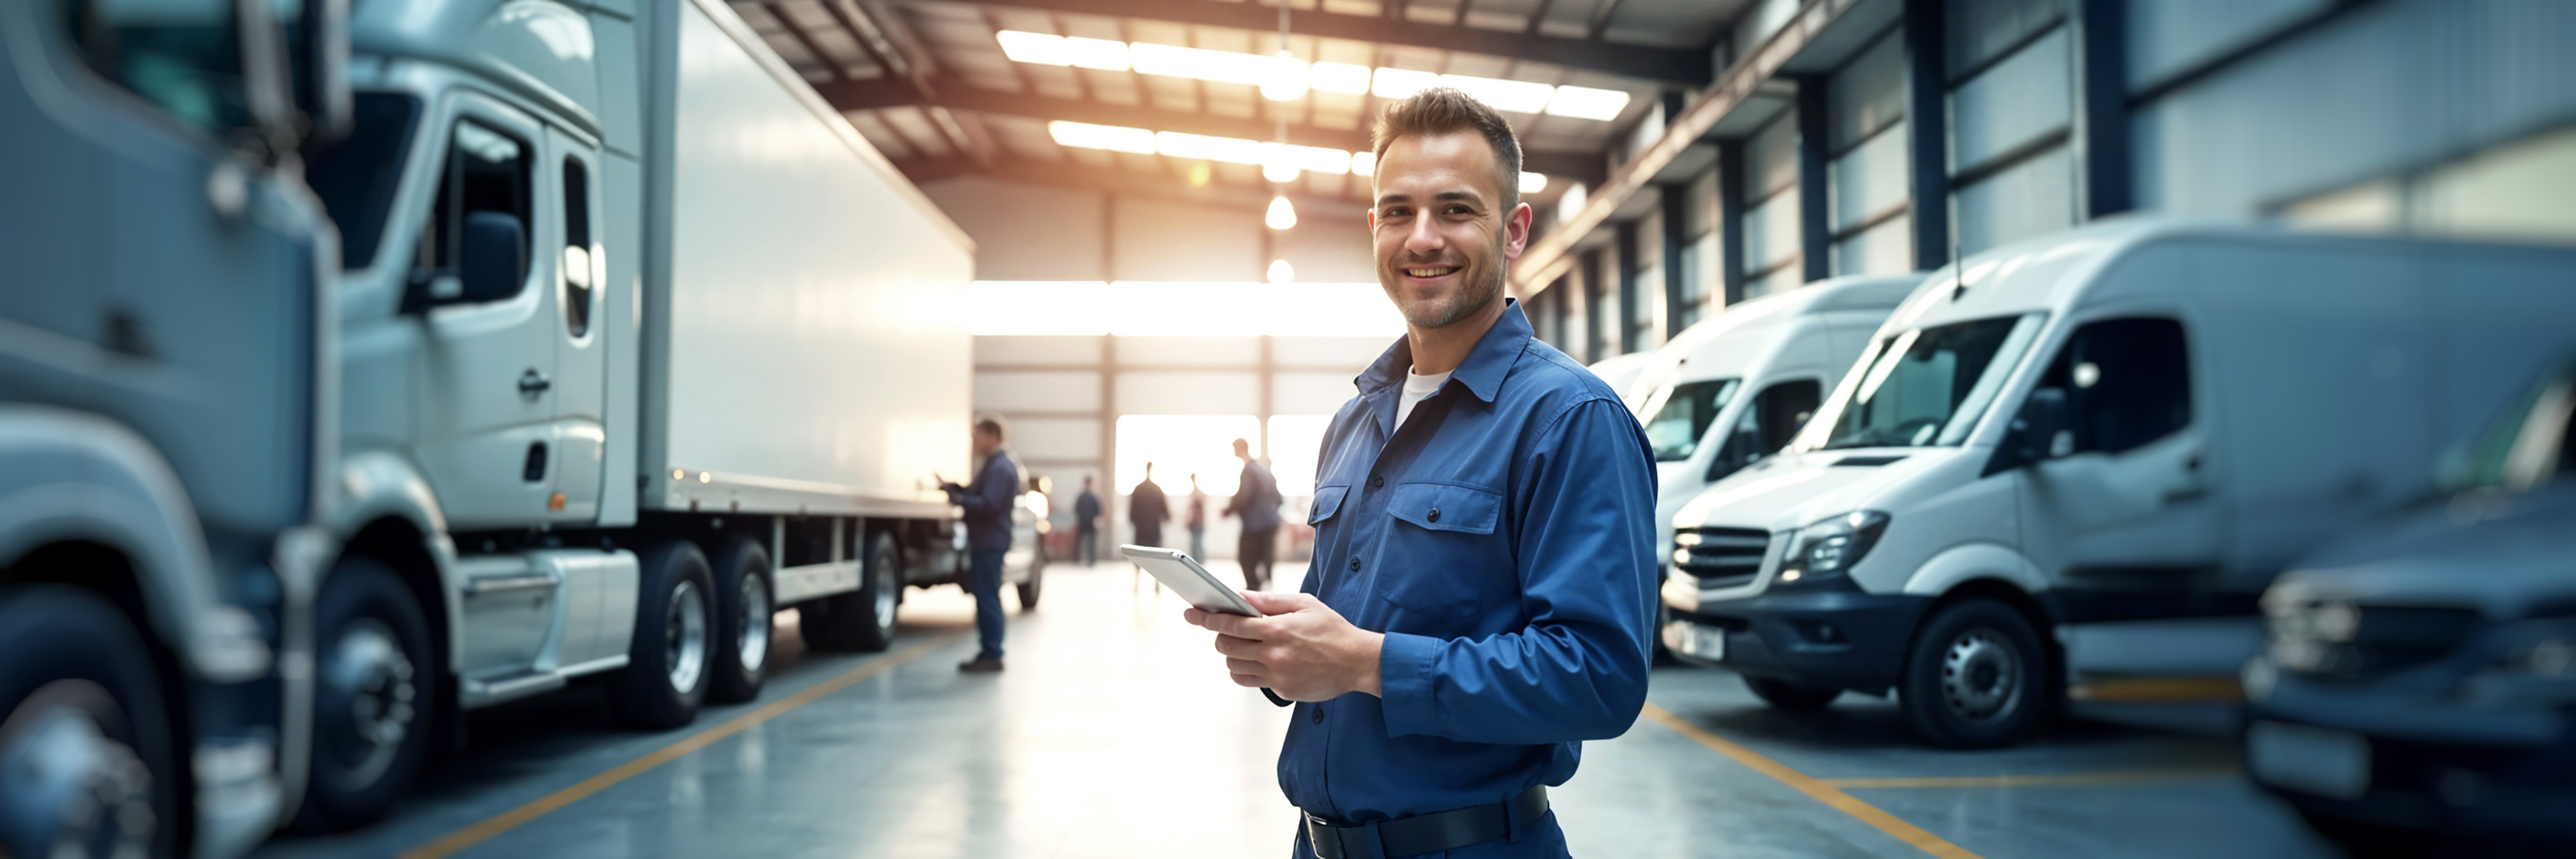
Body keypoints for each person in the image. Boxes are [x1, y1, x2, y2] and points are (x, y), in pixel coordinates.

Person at [1181, 89, 1657, 859]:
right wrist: (1286, 651)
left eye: (1456, 210)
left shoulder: (1569, 419)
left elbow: (1599, 677)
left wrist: (1365, 662)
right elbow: (1351, 621)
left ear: (1514, 231)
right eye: (1398, 211)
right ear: (1374, 229)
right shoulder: (1355, 419)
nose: (1422, 238)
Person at [940, 414, 1021, 674]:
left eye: (978, 435)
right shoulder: (995, 465)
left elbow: (989, 504)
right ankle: (990, 650)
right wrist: (955, 488)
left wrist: (958, 500)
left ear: (993, 436)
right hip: (988, 540)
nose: (975, 440)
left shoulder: (1000, 467)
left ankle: (992, 652)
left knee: (987, 597)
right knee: (987, 596)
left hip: (990, 541)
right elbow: (980, 493)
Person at [1223, 438, 1283, 591]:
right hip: (1270, 522)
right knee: (1266, 556)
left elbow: (1244, 497)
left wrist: (1228, 510)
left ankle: (1253, 590)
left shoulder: (1249, 471)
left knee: (1247, 559)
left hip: (1254, 524)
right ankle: (1267, 585)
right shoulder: (1265, 471)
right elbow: (1278, 498)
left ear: (1239, 448)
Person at [1073, 477, 1103, 566]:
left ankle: (1091, 559)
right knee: (1081, 543)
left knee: (1091, 543)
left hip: (1090, 523)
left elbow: (1098, 510)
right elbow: (1077, 509)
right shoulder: (1082, 497)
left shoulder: (1093, 497)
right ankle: (1079, 559)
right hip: (1083, 523)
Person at [1186, 473, 1209, 562]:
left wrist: (1194, 482)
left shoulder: (1199, 495)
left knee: (1197, 544)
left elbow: (1198, 497)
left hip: (1198, 524)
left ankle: (1200, 562)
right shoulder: (1194, 496)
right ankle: (1196, 562)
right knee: (1194, 545)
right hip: (1193, 524)